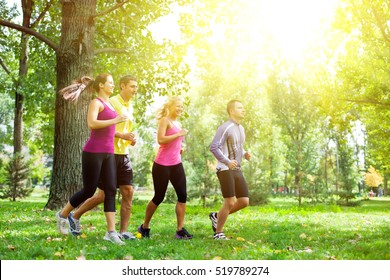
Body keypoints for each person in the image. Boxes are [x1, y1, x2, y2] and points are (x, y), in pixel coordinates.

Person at [55, 74, 128, 245]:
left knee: (110, 190)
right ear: (101, 85)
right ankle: (63, 214)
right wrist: (116, 119)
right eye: (110, 83)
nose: (112, 85)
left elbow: (108, 130)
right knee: (89, 190)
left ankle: (111, 232)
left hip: (109, 152)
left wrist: (122, 135)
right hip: (93, 152)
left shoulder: (110, 103)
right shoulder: (97, 103)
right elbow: (92, 124)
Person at [138, 96, 193, 239]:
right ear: (170, 106)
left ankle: (180, 230)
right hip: (162, 165)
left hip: (176, 164)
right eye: (178, 106)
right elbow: (161, 140)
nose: (180, 109)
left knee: (182, 195)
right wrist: (178, 134)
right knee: (159, 197)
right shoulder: (165, 121)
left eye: (182, 106)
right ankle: (144, 226)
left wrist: (179, 149)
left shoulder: (178, 123)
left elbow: (173, 143)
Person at [209, 100, 251, 240]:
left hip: (236, 168)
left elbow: (237, 146)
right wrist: (227, 161)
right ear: (231, 111)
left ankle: (216, 216)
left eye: (243, 108)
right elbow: (214, 147)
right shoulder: (225, 127)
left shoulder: (241, 128)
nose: (243, 110)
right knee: (230, 201)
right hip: (224, 168)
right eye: (240, 108)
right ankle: (218, 233)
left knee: (244, 201)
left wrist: (244, 153)